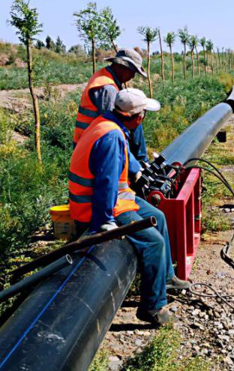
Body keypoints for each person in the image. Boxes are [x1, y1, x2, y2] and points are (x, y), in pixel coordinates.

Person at [68, 89, 190, 326]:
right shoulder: (112, 136)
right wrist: (106, 224)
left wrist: (139, 169)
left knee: (158, 216)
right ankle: (152, 307)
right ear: (137, 117)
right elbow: (106, 183)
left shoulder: (106, 123)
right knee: (153, 241)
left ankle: (165, 279)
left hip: (116, 199)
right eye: (143, 113)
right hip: (99, 208)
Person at [74, 48, 149, 165]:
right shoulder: (107, 88)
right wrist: (134, 166)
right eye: (132, 71)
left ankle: (142, 162)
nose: (133, 76)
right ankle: (141, 163)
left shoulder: (106, 76)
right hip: (91, 145)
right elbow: (113, 127)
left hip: (92, 140)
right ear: (122, 67)